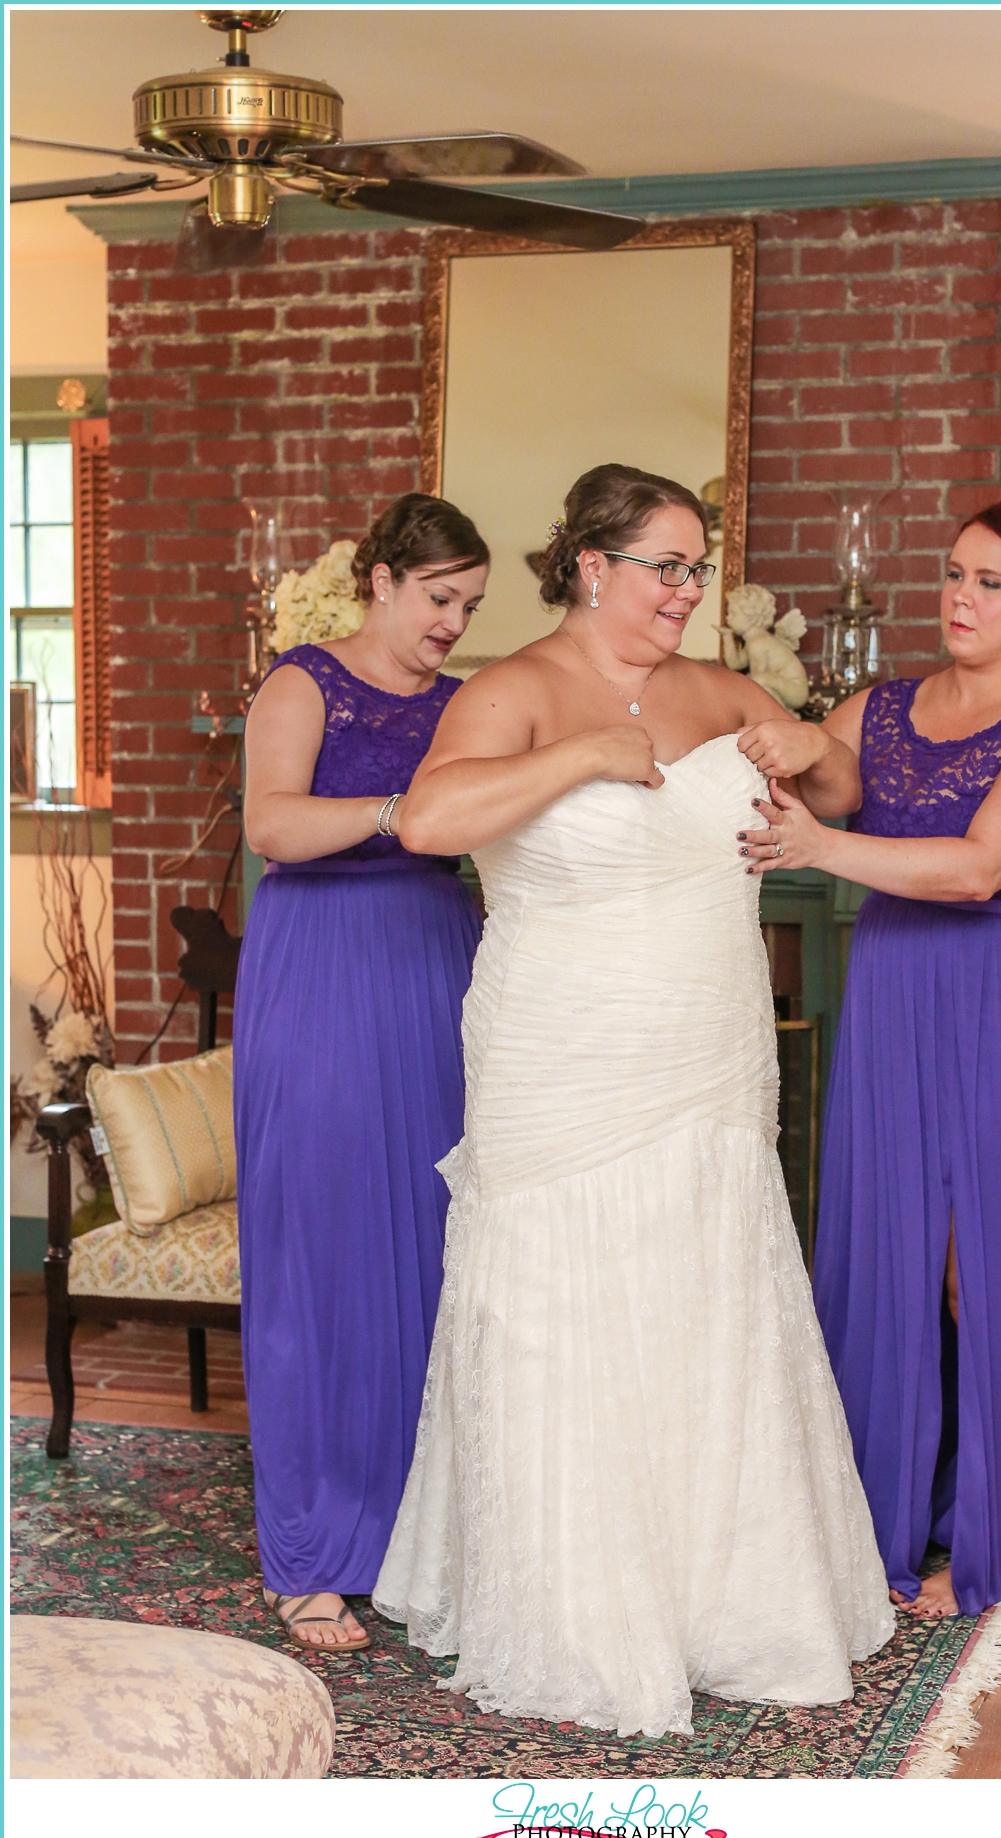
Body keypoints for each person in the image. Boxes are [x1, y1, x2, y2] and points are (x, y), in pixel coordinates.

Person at [371, 463, 894, 1737]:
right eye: (668, 564)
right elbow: (430, 819)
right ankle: (573, 1601)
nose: (688, 589)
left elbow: (839, 800)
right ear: (593, 565)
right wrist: (586, 756)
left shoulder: (717, 685)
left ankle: (724, 1591)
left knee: (703, 1293)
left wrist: (813, 744)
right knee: (567, 1300)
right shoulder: (512, 690)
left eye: (699, 567)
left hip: (707, 1050)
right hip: (562, 1052)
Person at [735, 495, 1001, 1619]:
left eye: (992, 582)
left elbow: (976, 868)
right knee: (887, 1248)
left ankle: (981, 1541)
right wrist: (790, 754)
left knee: (979, 1266)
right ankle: (877, 1524)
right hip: (899, 993)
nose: (960, 597)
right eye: (954, 574)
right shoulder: (880, 705)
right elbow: (825, 778)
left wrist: (814, 841)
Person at [234, 494, 489, 1650]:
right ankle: (315, 1548)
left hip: (437, 969)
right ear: (380, 580)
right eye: (440, 598)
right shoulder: (302, 684)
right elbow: (273, 825)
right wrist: (407, 809)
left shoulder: (466, 705)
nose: (452, 623)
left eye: (471, 605)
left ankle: (415, 1530)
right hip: (325, 973)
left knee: (434, 1245)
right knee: (324, 1246)